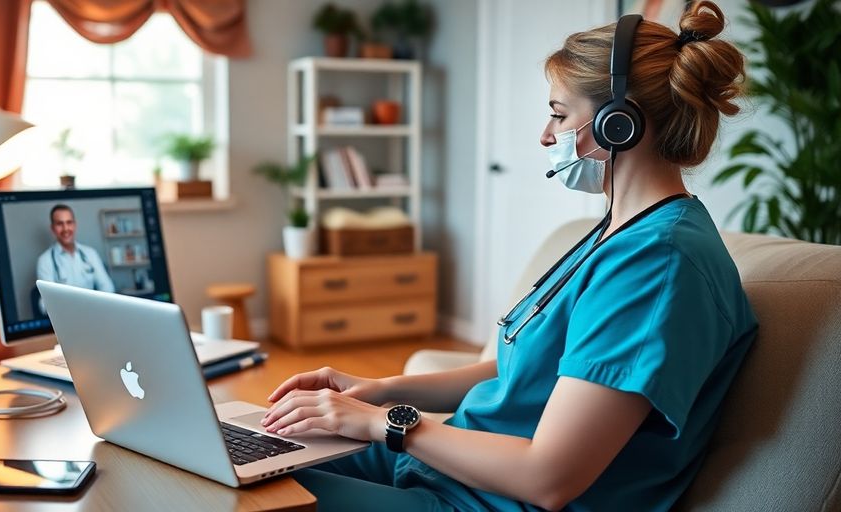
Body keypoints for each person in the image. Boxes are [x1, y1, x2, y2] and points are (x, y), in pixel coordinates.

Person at [261, 2, 757, 510]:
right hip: (445, 468)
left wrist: (377, 422)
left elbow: (549, 478)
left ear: (620, 125)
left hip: (481, 501)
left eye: (559, 115)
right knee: (249, 455)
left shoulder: (658, 266)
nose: (546, 135)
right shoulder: (617, 232)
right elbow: (516, 368)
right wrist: (379, 390)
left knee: (241, 496)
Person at [36, 204, 115, 305]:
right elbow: (44, 303)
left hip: (93, 310)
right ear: (52, 228)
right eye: (60, 224)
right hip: (65, 316)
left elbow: (108, 288)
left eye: (69, 222)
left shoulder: (90, 254)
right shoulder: (45, 261)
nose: (65, 229)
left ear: (75, 225)